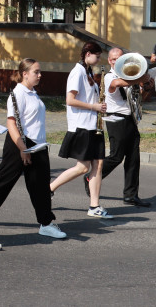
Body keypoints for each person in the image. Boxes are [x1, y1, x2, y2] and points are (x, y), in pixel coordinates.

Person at [0, 58, 65, 239]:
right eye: (36, 72)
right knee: (5, 178)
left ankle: (45, 223)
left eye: (39, 72)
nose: (40, 75)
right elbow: (11, 123)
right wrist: (23, 148)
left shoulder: (32, 92)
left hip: (37, 144)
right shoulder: (18, 94)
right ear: (25, 74)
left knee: (39, 185)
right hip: (20, 143)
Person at [49, 42, 113, 219]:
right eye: (97, 56)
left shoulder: (88, 71)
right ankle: (49, 189)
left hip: (93, 125)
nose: (99, 59)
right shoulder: (77, 72)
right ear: (87, 54)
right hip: (82, 125)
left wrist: (100, 107)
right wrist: (94, 106)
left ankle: (94, 205)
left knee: (98, 165)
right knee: (82, 167)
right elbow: (70, 100)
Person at [99, 47, 152, 207]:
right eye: (114, 59)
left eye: (120, 58)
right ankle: (91, 177)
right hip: (115, 118)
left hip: (129, 118)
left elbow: (140, 97)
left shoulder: (130, 76)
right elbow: (117, 84)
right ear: (109, 61)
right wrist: (142, 78)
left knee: (133, 158)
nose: (116, 62)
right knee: (116, 156)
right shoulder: (109, 76)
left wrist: (147, 85)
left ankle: (131, 195)